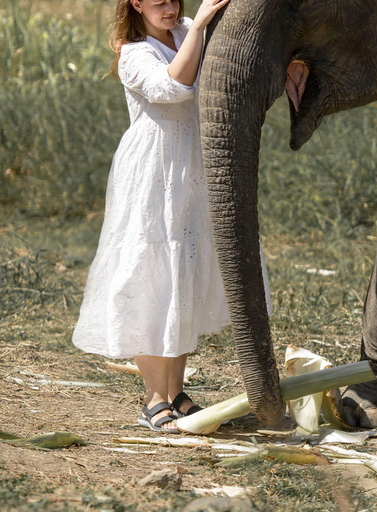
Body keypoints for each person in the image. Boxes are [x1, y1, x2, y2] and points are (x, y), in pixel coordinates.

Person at [73, 0, 271, 433]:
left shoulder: (184, 30)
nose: (169, 7)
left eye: (174, 0)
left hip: (196, 167)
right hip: (153, 170)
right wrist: (199, 26)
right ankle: (153, 398)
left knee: (185, 272)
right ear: (136, 4)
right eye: (157, 1)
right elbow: (173, 86)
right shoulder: (134, 51)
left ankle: (177, 393)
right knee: (150, 277)